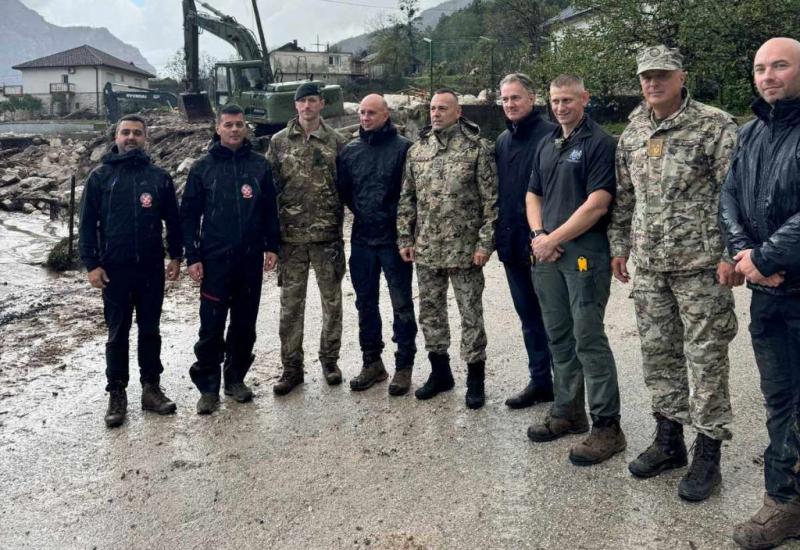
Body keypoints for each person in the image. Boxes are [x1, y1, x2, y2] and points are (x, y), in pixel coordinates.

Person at [608, 45, 739, 501]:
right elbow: (625, 198)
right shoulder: (633, 132)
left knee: (705, 358)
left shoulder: (715, 125)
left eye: (662, 75)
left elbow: (732, 196)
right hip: (649, 265)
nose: (652, 83)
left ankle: (708, 453)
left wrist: (731, 254)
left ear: (681, 76)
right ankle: (669, 440)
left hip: (701, 266)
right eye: (646, 76)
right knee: (659, 355)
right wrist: (619, 248)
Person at [719, 37, 800, 550]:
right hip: (769, 295)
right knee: (780, 398)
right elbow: (728, 194)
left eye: (780, 66)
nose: (767, 76)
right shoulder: (750, 134)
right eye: (759, 68)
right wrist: (744, 255)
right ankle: (784, 500)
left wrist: (764, 257)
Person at [524, 75, 625, 466]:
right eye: (555, 100)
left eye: (568, 99)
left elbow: (598, 203)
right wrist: (538, 234)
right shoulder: (548, 143)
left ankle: (607, 425)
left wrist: (553, 238)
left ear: (585, 98)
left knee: (588, 337)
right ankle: (568, 410)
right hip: (547, 252)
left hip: (583, 253)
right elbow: (533, 193)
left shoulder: (599, 143)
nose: (560, 107)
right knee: (560, 336)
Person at [397, 88, 498, 409]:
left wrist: (485, 243)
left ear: (458, 112)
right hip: (426, 249)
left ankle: (475, 380)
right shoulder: (417, 151)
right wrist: (405, 238)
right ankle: (440, 373)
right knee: (431, 314)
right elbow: (407, 198)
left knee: (470, 315)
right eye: (432, 109)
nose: (436, 113)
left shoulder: (477, 149)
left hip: (465, 251)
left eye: (443, 108)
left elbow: (492, 203)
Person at [79, 114, 182, 428]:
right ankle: (117, 393)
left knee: (150, 331)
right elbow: (86, 225)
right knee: (117, 333)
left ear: (145, 138)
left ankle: (151, 389)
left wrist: (176, 256)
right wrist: (92, 264)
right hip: (114, 271)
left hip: (151, 268)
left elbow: (173, 222)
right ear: (116, 138)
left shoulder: (158, 177)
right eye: (126, 133)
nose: (131, 138)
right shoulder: (100, 177)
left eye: (137, 133)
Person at [181, 104, 280, 414]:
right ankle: (208, 387)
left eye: (239, 124)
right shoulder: (202, 168)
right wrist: (192, 256)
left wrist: (272, 246)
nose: (234, 129)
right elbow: (188, 217)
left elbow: (269, 212)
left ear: (246, 128)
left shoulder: (259, 166)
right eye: (228, 125)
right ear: (218, 129)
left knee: (244, 324)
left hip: (249, 259)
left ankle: (235, 379)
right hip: (215, 260)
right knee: (211, 326)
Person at [267, 83, 349, 395]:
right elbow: (270, 189)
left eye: (312, 101)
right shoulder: (278, 142)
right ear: (295, 106)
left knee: (332, 302)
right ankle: (292, 368)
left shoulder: (336, 141)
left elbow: (347, 186)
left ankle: (329, 360)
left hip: (327, 237)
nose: (306, 106)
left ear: (322, 104)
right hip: (291, 238)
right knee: (291, 305)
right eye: (301, 101)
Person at [336, 94, 418, 395]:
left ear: (386, 115)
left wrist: (402, 229)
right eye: (362, 112)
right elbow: (345, 192)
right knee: (365, 304)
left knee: (401, 304)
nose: (365, 118)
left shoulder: (404, 150)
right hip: (362, 240)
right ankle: (372, 362)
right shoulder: (350, 152)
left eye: (372, 113)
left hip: (395, 240)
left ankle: (404, 365)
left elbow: (411, 195)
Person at [495, 72, 556, 409]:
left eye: (515, 98)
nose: (510, 104)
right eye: (505, 99)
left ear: (532, 99)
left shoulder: (550, 137)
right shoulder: (503, 141)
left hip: (544, 245)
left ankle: (567, 388)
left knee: (556, 319)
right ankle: (540, 380)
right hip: (512, 244)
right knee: (529, 318)